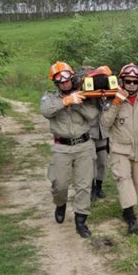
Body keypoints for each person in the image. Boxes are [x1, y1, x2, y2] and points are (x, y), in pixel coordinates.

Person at [101, 63, 138, 234]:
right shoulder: (112, 100)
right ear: (122, 81)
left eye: (135, 82)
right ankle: (131, 219)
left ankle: (127, 208)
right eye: (128, 81)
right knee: (123, 180)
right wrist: (116, 102)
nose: (132, 85)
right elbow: (105, 123)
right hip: (120, 150)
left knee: (135, 184)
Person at [40, 61, 98, 238]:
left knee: (84, 185)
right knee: (60, 184)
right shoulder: (50, 97)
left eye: (67, 79)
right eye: (61, 81)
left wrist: (78, 101)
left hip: (84, 146)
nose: (65, 83)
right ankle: (60, 203)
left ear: (72, 78)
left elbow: (94, 117)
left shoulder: (85, 95)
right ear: (56, 83)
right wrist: (65, 101)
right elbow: (45, 110)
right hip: (62, 147)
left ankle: (81, 221)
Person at [85, 65, 112, 201]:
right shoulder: (85, 93)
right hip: (89, 132)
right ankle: (91, 188)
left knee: (102, 161)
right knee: (90, 161)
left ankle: (99, 186)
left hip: (103, 132)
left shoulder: (107, 94)